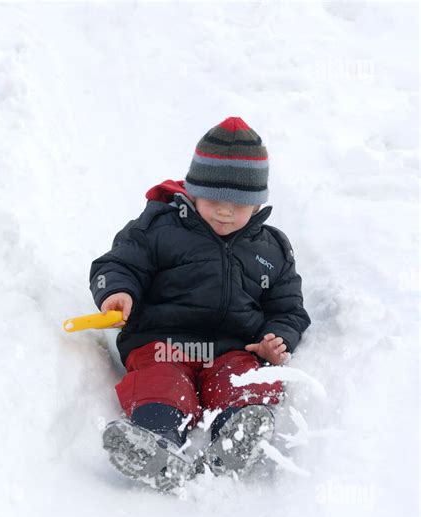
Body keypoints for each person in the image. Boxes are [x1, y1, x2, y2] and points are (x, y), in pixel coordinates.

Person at [89, 116, 310, 490]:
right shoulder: (159, 227)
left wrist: (277, 337)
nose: (224, 212)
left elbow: (288, 307)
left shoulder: (271, 249)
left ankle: (237, 437)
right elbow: (119, 263)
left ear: (256, 205)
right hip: (163, 343)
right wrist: (118, 292)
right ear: (192, 191)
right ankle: (155, 443)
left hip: (232, 348)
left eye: (237, 205)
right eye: (213, 200)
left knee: (242, 382)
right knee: (161, 383)